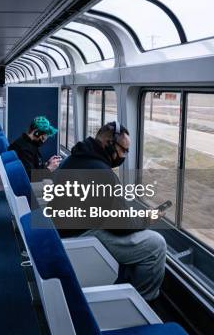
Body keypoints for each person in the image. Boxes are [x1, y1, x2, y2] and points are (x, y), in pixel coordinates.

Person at [54, 122, 166, 301]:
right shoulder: (102, 173)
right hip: (80, 237)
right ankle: (142, 301)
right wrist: (146, 219)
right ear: (108, 143)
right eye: (124, 150)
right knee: (155, 244)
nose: (124, 156)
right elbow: (120, 226)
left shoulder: (73, 158)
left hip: (63, 230)